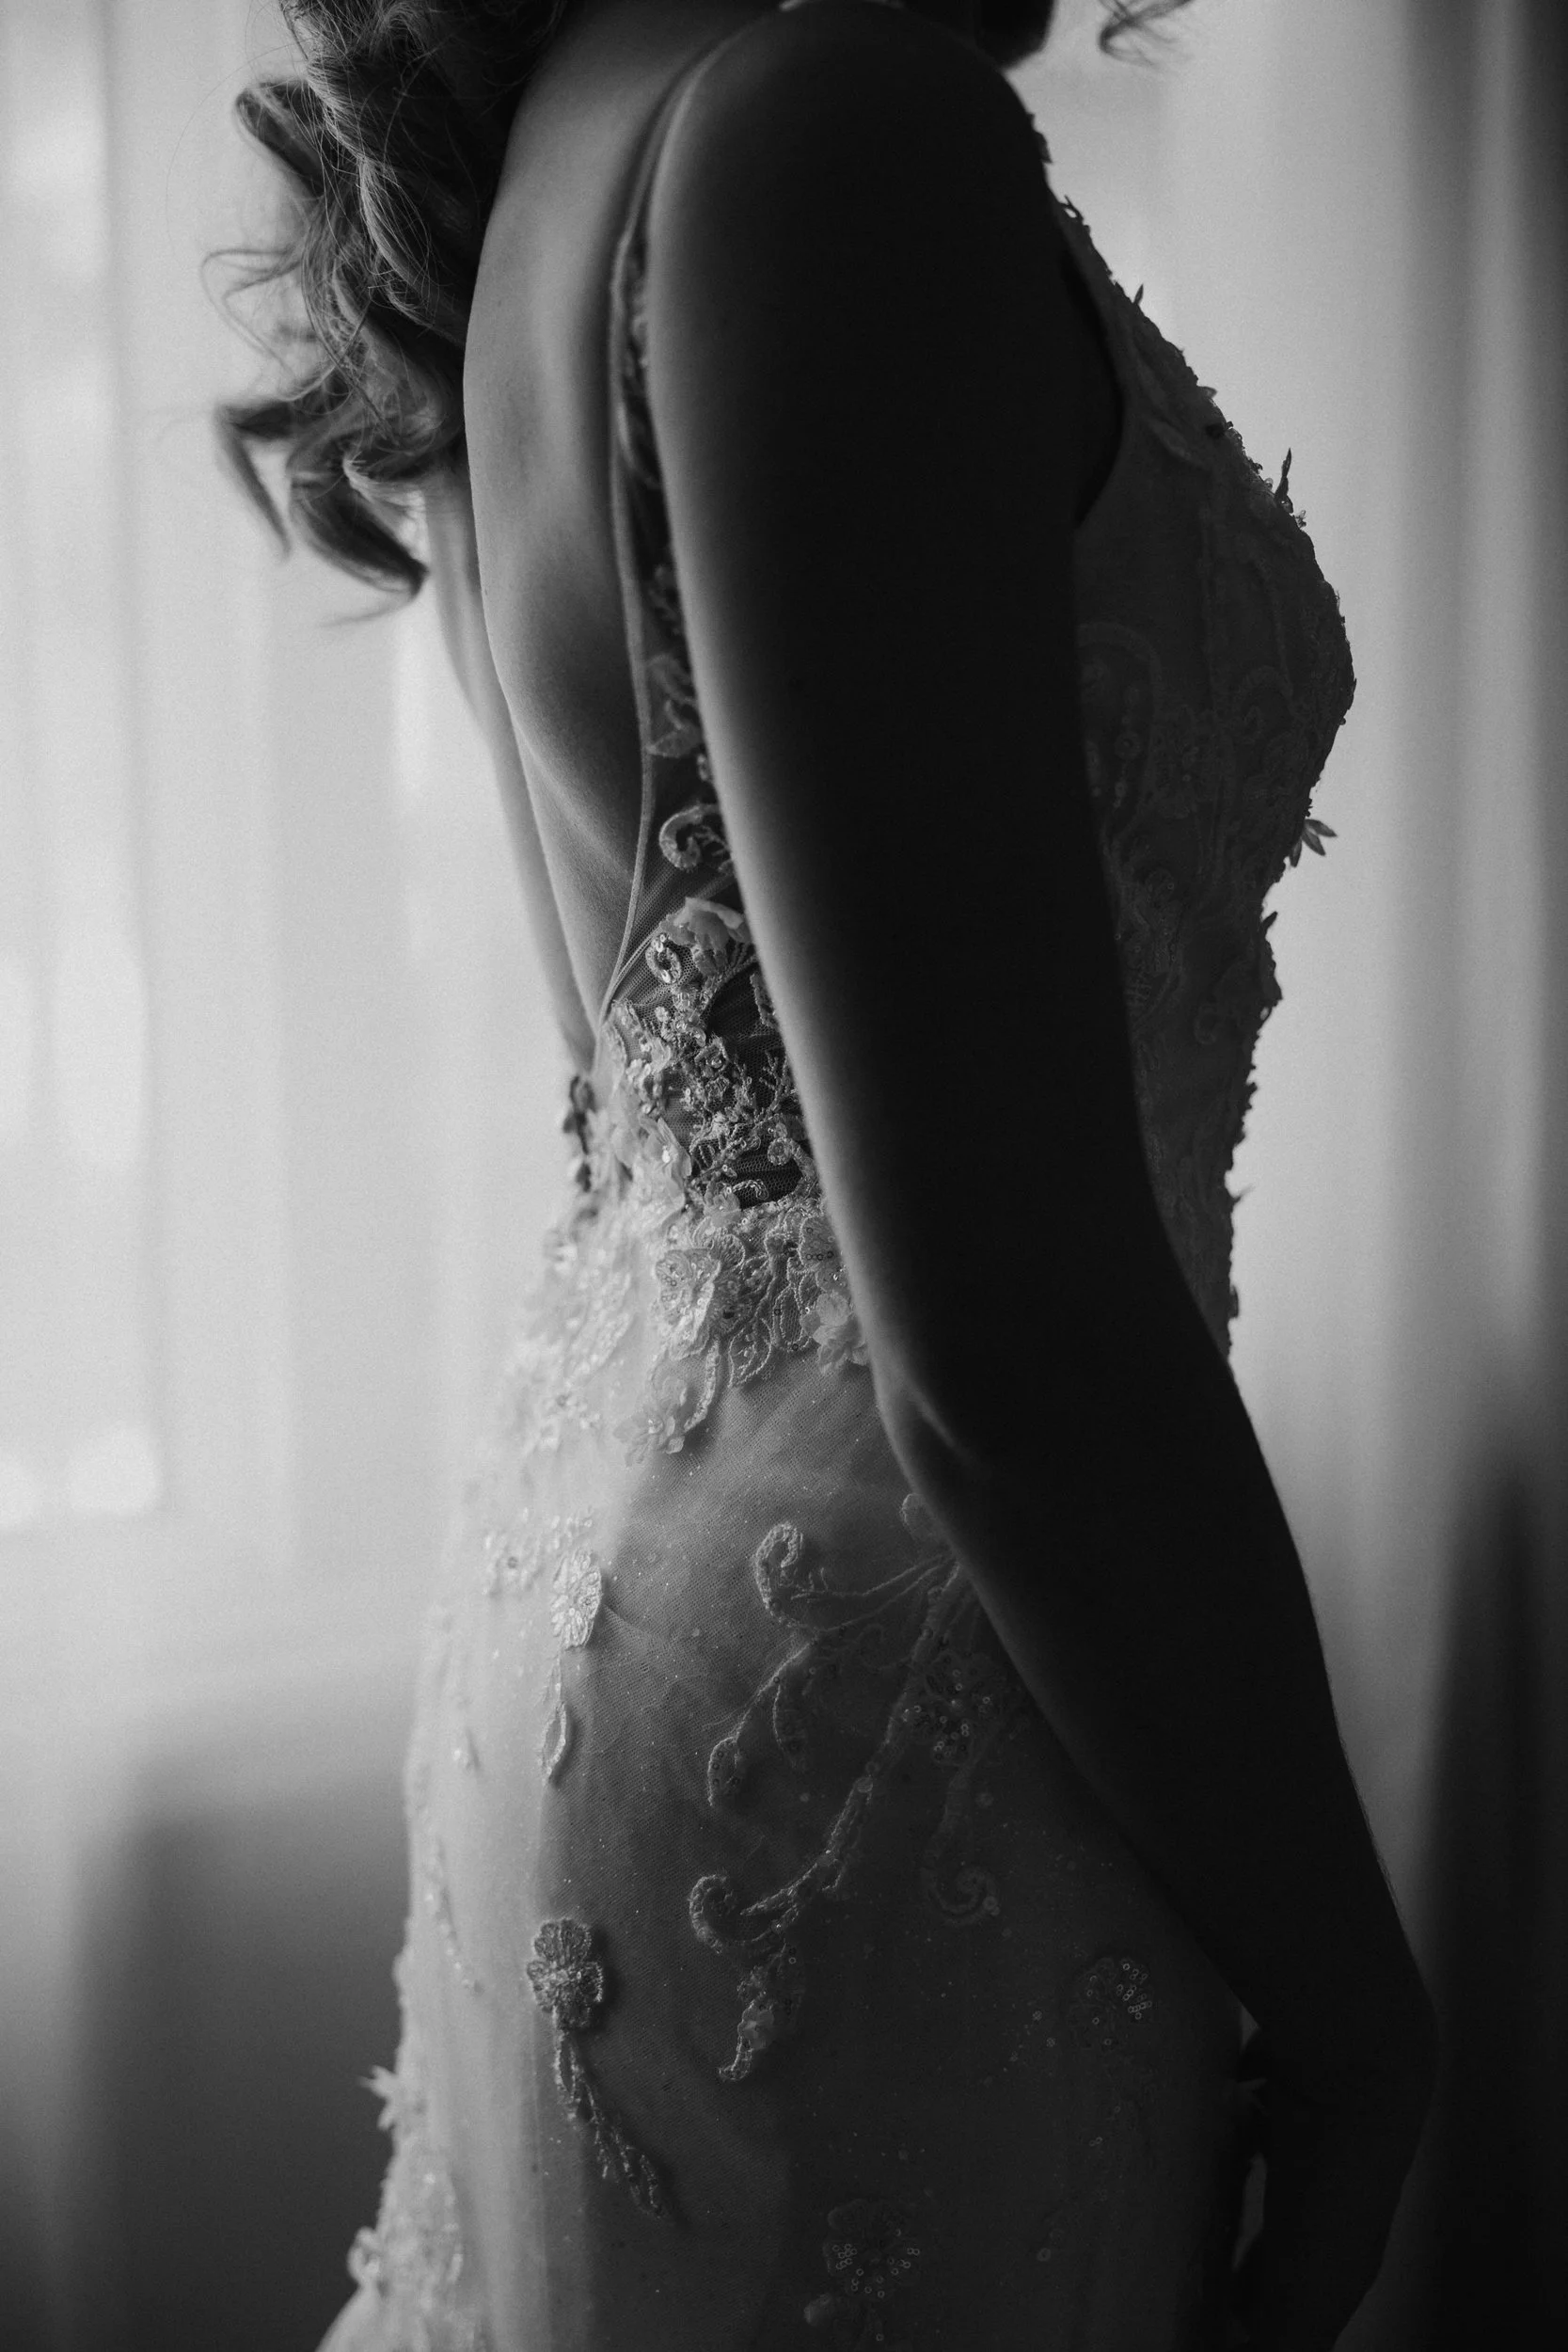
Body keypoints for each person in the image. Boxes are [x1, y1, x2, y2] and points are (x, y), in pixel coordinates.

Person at [218, 2, 1437, 2344]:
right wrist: (1361, 2021)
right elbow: (994, 1342)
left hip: (629, 1619)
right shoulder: (831, 133)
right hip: (897, 1703)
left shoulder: (564, 147)